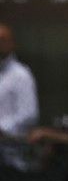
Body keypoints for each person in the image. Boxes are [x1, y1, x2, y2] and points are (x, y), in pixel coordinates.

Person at [0, 23, 39, 172]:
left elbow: (29, 114)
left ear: (12, 43)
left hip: (13, 157)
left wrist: (3, 128)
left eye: (3, 39)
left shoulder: (21, 75)